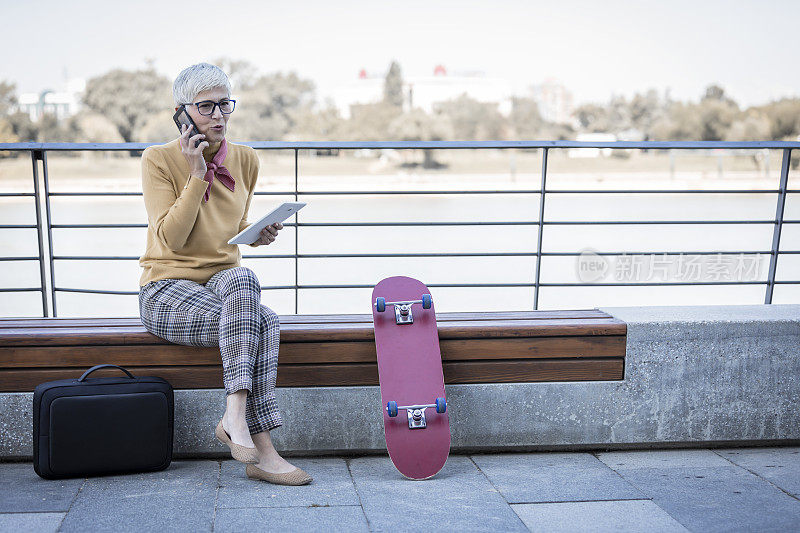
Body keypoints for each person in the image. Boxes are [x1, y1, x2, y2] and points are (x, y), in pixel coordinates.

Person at [137, 62, 311, 486]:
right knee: (263, 320)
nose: (218, 116)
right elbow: (174, 241)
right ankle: (264, 450)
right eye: (205, 107)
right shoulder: (158, 159)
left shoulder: (247, 159)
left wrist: (256, 236)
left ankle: (235, 416)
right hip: (166, 288)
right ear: (182, 113)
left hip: (224, 283)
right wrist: (197, 175)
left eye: (225, 104)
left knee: (243, 277)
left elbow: (229, 232)